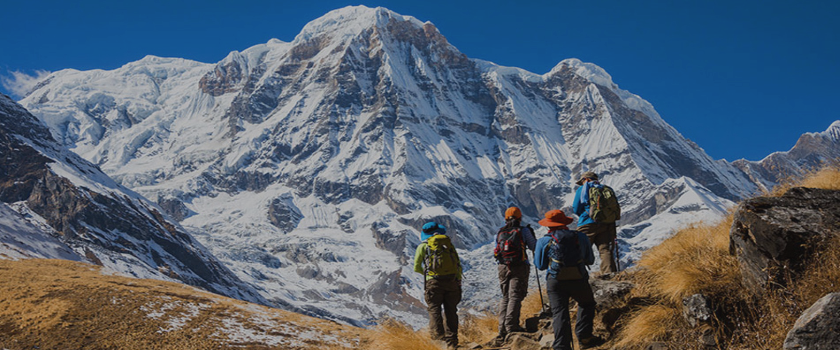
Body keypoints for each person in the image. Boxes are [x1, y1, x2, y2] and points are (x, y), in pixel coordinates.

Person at [535, 209, 600, 350]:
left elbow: (540, 265)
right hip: (578, 278)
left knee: (559, 312)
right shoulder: (580, 237)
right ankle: (584, 337)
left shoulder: (544, 241)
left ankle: (561, 346)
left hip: (555, 281)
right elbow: (590, 260)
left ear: (548, 225)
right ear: (565, 222)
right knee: (587, 303)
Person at [413, 221, 462, 349]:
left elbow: (417, 267)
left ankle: (439, 342)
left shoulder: (422, 247)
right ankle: (452, 342)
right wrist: (457, 280)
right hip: (452, 281)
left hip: (433, 282)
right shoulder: (448, 245)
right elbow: (458, 264)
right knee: (451, 311)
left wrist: (428, 274)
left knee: (434, 310)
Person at [493, 207, 537, 343]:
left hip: (502, 266)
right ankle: (512, 327)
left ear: (506, 218)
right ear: (520, 217)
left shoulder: (500, 232)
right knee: (515, 296)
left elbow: (496, 250)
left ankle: (502, 329)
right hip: (519, 266)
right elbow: (534, 246)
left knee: (506, 296)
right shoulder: (523, 230)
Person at [573, 171, 620, 275]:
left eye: (582, 181)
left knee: (578, 249)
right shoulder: (606, 189)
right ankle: (609, 273)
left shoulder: (582, 189)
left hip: (587, 223)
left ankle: (577, 275)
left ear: (586, 179)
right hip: (605, 223)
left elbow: (576, 208)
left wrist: (586, 214)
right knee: (605, 249)